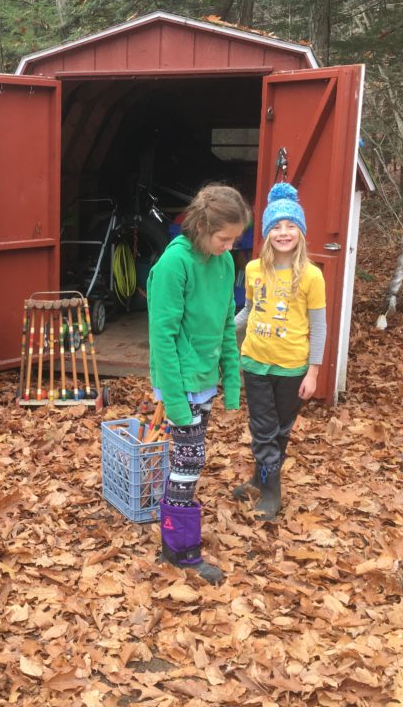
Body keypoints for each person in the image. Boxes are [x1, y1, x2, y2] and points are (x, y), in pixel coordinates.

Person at [147, 183, 251, 585]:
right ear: (202, 226)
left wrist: (232, 382)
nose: (229, 245)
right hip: (180, 383)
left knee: (189, 462)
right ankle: (179, 549)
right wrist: (173, 401)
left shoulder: (224, 264)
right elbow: (163, 337)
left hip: (206, 379)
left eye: (234, 239)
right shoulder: (175, 264)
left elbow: (227, 323)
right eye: (224, 238)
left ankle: (178, 538)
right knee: (189, 461)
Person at [232, 182, 326, 521]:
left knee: (281, 430)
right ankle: (272, 493)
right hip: (255, 362)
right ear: (267, 232)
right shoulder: (254, 269)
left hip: (292, 368)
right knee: (263, 429)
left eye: (290, 226)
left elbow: (320, 327)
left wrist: (313, 372)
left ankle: (261, 478)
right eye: (276, 226)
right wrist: (226, 329)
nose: (283, 233)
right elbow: (249, 310)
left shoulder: (312, 276)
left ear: (300, 232)